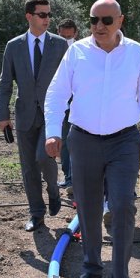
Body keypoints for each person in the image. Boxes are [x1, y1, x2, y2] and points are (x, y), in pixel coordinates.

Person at [44, 0, 140, 278]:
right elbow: (56, 94)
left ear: (121, 21)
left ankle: (121, 275)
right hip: (83, 140)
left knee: (123, 203)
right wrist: (53, 133)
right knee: (89, 206)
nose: (98, 26)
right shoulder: (77, 53)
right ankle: (92, 268)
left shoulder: (135, 53)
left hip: (123, 140)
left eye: (106, 20)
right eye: (94, 20)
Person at [0, 0, 69, 232]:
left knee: (43, 156)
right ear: (29, 16)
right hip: (25, 113)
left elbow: (71, 81)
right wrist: (2, 113)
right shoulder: (14, 46)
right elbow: (5, 81)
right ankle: (36, 213)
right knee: (28, 167)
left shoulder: (60, 45)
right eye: (42, 15)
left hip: (52, 114)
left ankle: (54, 189)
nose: (47, 19)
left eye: (49, 15)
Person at [55, 19, 78, 195]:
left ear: (75, 34)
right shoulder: (52, 50)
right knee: (62, 141)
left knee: (75, 141)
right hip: (60, 102)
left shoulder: (81, 51)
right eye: (63, 36)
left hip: (77, 103)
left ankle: (74, 179)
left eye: (69, 36)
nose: (66, 39)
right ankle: (68, 177)